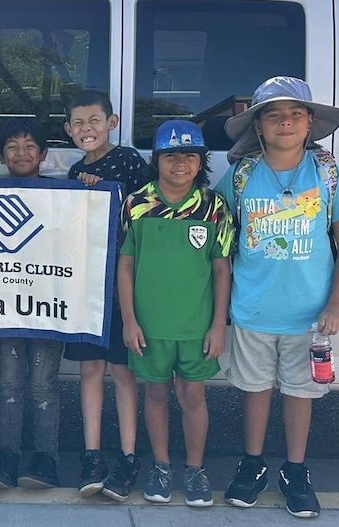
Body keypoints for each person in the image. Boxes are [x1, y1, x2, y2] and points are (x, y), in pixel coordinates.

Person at [215, 76, 339, 518]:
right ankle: (252, 463)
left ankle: (295, 469)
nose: (285, 122)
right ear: (257, 126)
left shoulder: (327, 173)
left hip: (310, 314)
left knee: (299, 393)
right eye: (273, 115)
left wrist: (335, 304)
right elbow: (221, 242)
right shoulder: (240, 175)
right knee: (255, 391)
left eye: (295, 114)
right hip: (253, 308)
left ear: (310, 123)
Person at [118, 120, 233, 506]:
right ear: (157, 159)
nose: (180, 162)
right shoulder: (137, 204)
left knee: (193, 396)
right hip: (149, 326)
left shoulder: (214, 207)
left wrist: (219, 324)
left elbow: (221, 269)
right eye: (171, 154)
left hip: (196, 326)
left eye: (190, 155)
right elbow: (125, 266)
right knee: (155, 394)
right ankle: (162, 465)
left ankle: (196, 469)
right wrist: (130, 320)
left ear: (201, 161)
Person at [62, 89, 147, 501]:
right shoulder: (73, 172)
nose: (86, 129)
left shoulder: (129, 159)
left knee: (123, 372)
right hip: (86, 288)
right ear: (68, 130)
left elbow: (148, 208)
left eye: (94, 120)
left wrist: (108, 189)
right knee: (90, 371)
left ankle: (130, 457)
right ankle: (91, 455)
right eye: (77, 123)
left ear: (112, 122)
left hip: (122, 289)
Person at [0, 118, 65, 490]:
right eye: (12, 147)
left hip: (50, 306)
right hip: (5, 306)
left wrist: (92, 188)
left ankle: (46, 459)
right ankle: (6, 457)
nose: (21, 152)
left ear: (44, 154)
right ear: (1, 156)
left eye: (30, 146)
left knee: (43, 385)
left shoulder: (66, 196)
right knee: (8, 384)